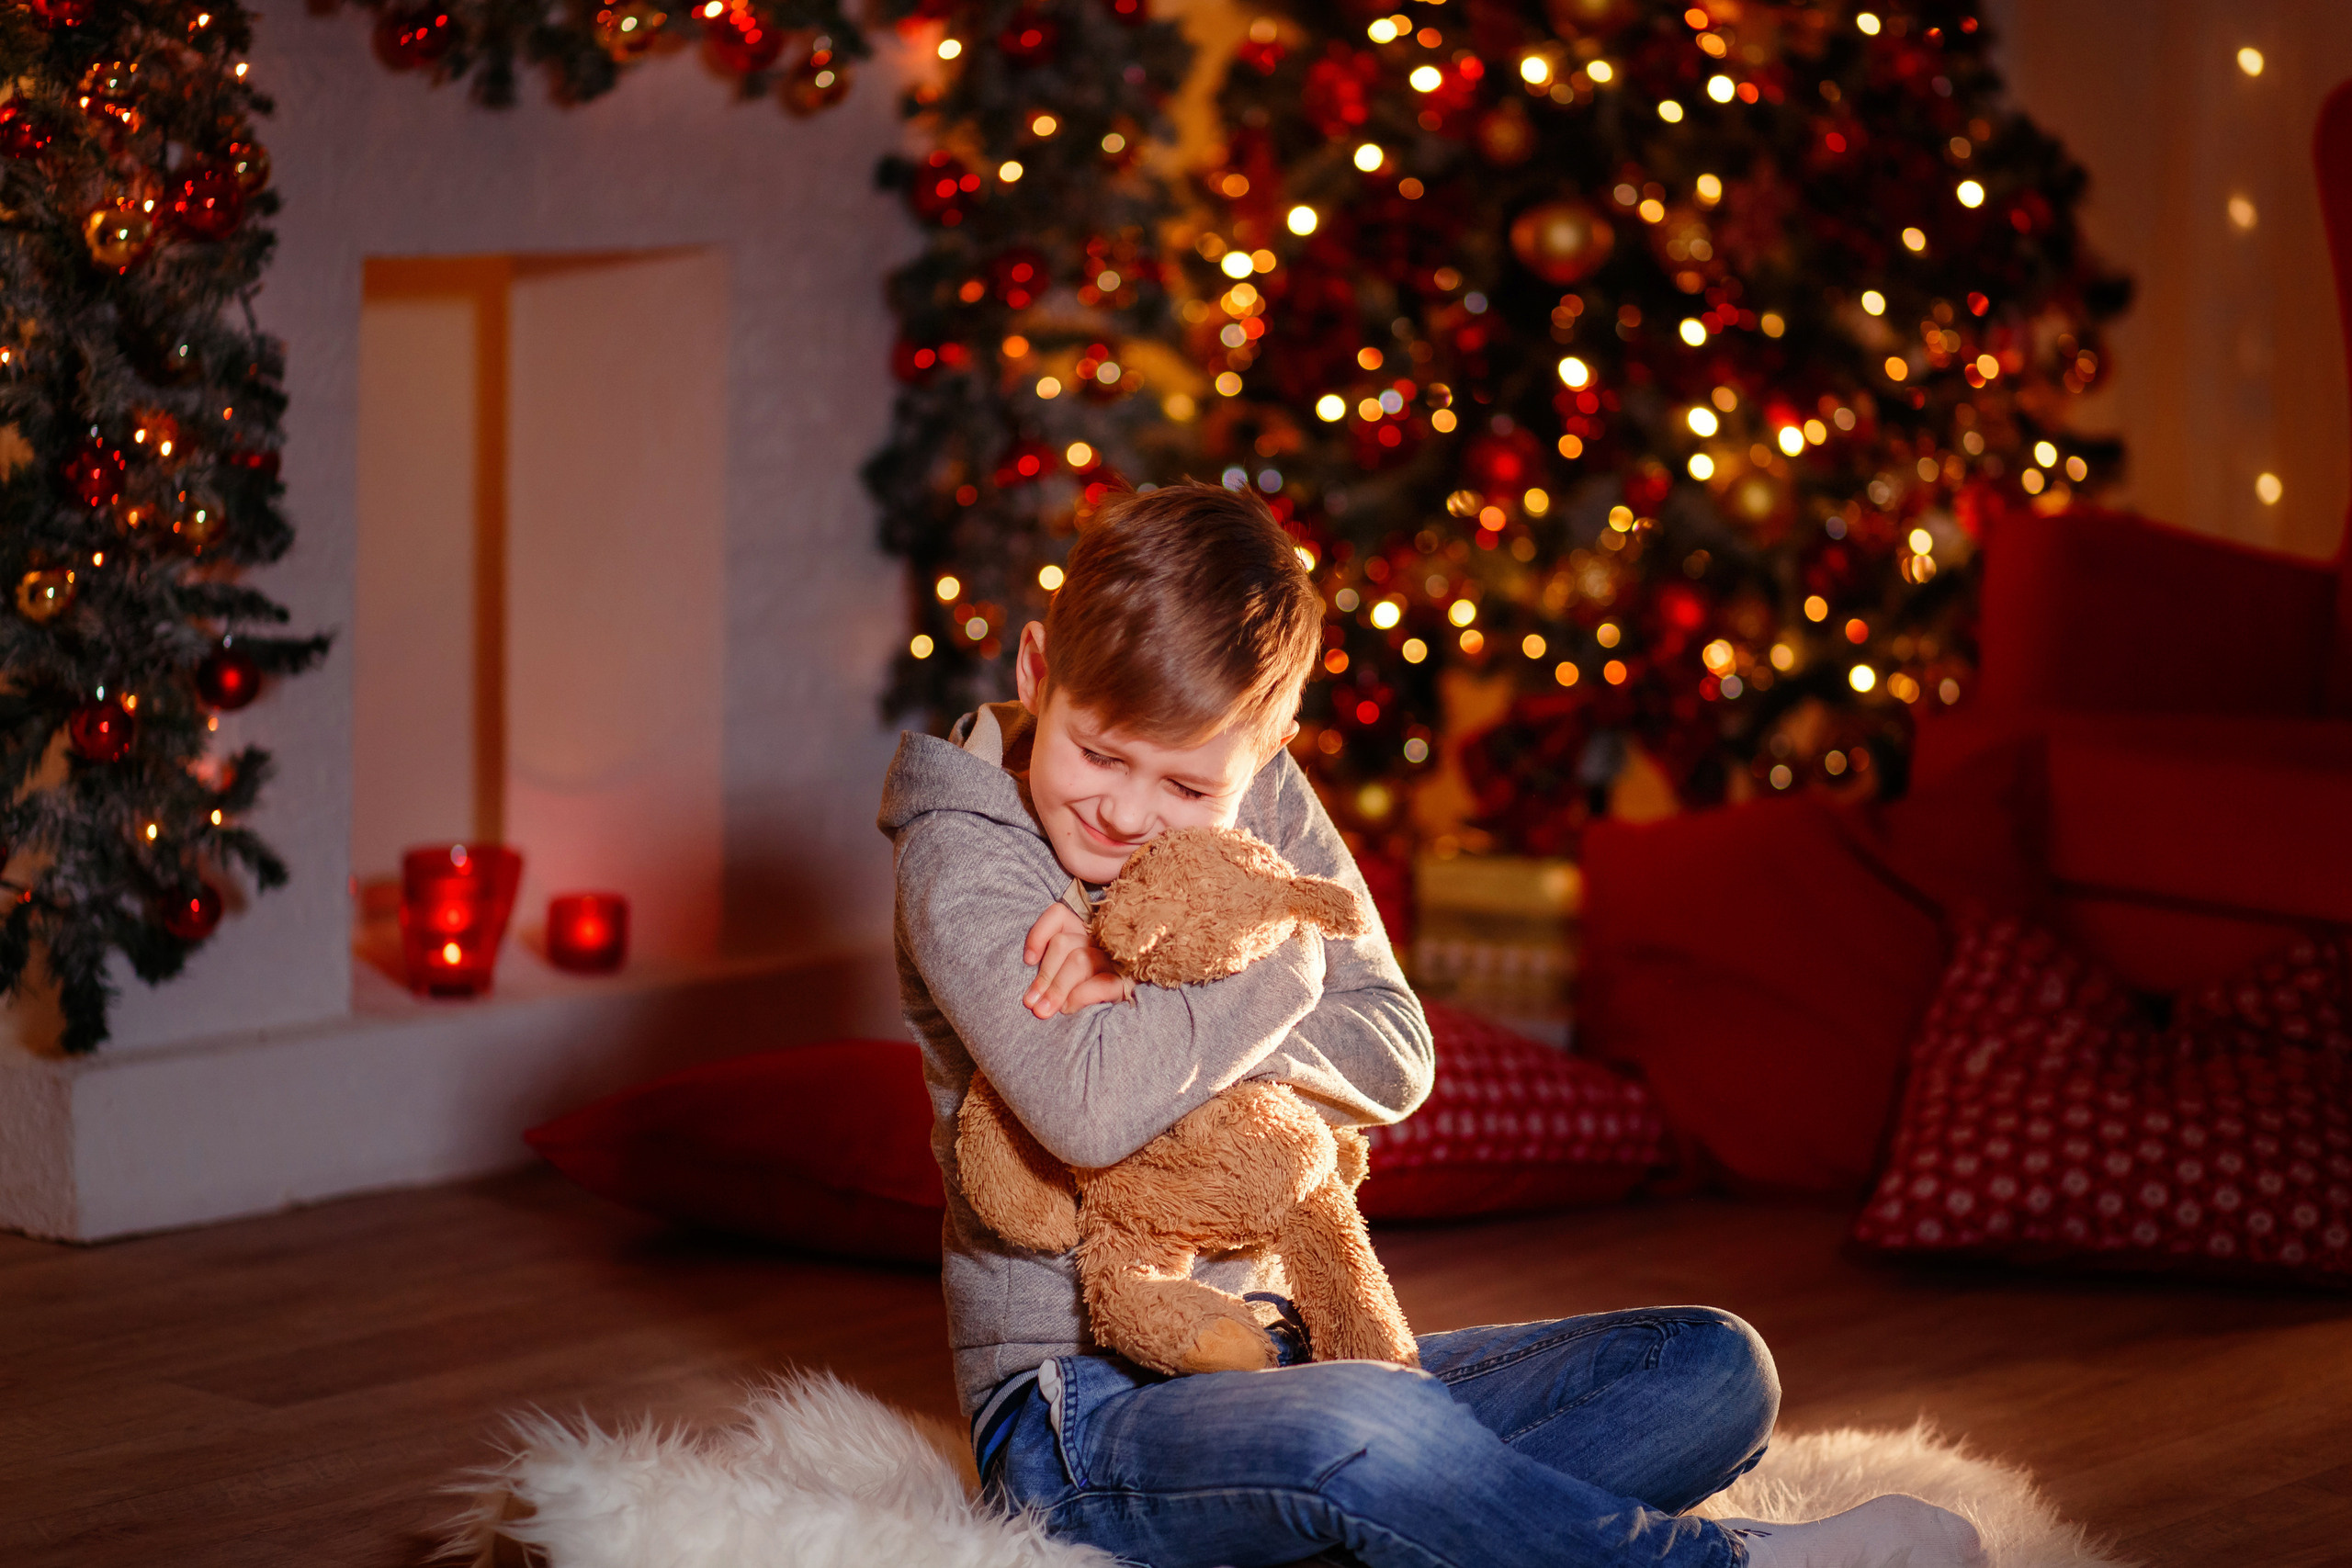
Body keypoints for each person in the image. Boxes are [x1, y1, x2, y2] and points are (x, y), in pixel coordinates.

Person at [876, 482, 1984, 1568]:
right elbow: (1087, 1111)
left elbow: (1395, 1050)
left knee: (1711, 1367)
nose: (1125, 814)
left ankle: (1407, 1526)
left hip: (1278, 1349)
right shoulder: (960, 845)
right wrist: (1290, 954)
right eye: (1100, 754)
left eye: (1185, 791)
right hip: (1075, 1417)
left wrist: (1187, 987)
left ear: (1268, 745)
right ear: (1037, 671)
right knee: (1372, 1426)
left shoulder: (1258, 786)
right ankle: (1701, 1564)